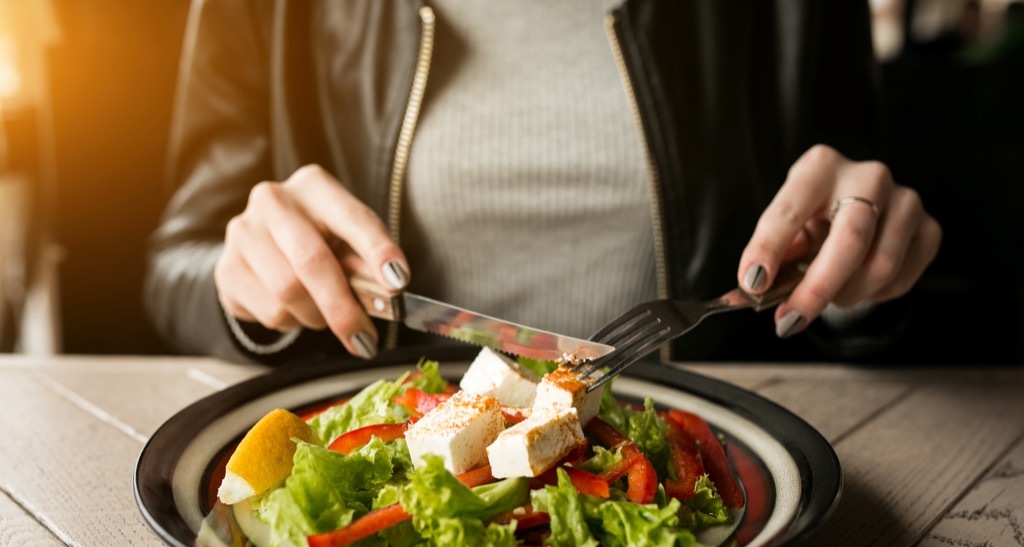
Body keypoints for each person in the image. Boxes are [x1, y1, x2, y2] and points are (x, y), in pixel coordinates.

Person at [144, 0, 941, 366]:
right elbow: (176, 264)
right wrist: (243, 281)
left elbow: (863, 230)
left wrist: (862, 271)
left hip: (721, 513)